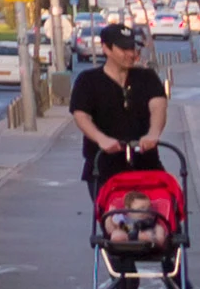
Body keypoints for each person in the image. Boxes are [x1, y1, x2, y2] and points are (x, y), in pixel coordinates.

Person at [71, 23, 171, 190]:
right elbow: (81, 115)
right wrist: (101, 139)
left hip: (146, 165)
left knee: (160, 203)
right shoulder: (88, 81)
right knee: (113, 207)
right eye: (124, 49)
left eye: (132, 48)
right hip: (104, 167)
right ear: (106, 48)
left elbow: (158, 106)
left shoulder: (147, 77)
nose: (131, 54)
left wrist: (153, 134)